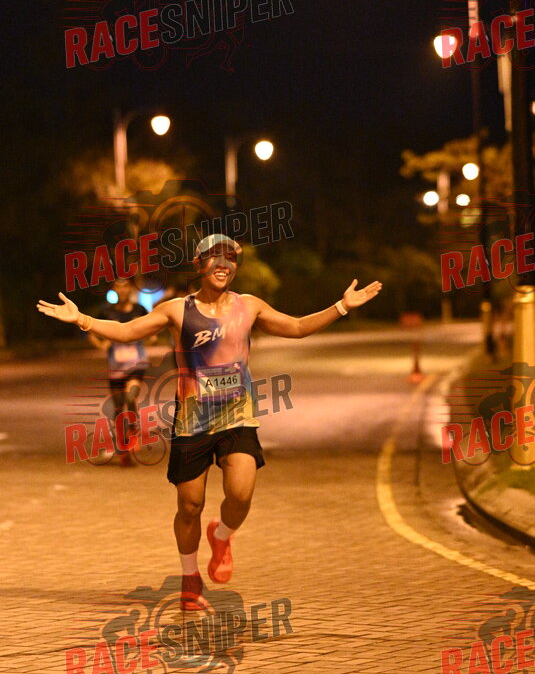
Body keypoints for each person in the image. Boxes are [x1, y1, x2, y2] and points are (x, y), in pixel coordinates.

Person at [37, 234, 382, 609]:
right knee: (190, 506)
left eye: (230, 258)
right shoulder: (176, 310)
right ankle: (190, 579)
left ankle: (222, 536)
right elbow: (127, 331)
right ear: (199, 265)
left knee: (241, 493)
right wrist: (82, 319)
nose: (223, 264)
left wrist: (341, 307)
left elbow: (297, 327)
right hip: (192, 422)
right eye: (214, 257)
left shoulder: (249, 306)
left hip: (238, 417)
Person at [88, 278, 153, 466]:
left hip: (136, 365)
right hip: (115, 367)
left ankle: (133, 430)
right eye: (118, 287)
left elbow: (152, 328)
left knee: (130, 397)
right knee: (118, 409)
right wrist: (102, 344)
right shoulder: (106, 312)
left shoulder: (139, 310)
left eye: (125, 287)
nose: (122, 290)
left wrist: (151, 337)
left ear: (130, 289)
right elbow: (91, 332)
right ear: (114, 290)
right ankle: (123, 448)